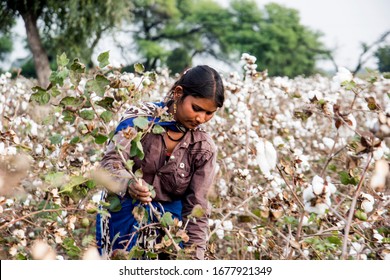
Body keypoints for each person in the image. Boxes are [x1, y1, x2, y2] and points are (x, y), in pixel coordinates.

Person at [96, 65, 225, 260]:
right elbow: (110, 163)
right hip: (121, 225)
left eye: (209, 113)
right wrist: (129, 184)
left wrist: (193, 259)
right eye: (196, 109)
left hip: (167, 236)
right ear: (179, 93)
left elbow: (197, 208)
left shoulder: (203, 148)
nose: (201, 118)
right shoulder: (140, 120)